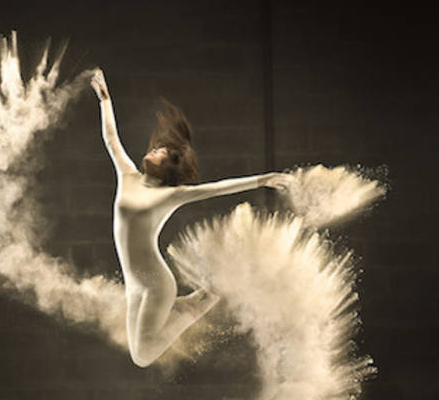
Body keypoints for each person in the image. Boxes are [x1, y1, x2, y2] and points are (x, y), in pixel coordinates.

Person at [90, 69, 293, 367]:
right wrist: (105, 100)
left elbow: (216, 189)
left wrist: (262, 180)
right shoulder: (128, 175)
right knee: (137, 354)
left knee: (144, 357)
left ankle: (200, 303)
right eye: (156, 147)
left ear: (169, 168)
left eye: (161, 152)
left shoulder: (169, 196)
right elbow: (111, 139)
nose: (153, 150)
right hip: (135, 284)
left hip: (156, 284)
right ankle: (191, 303)